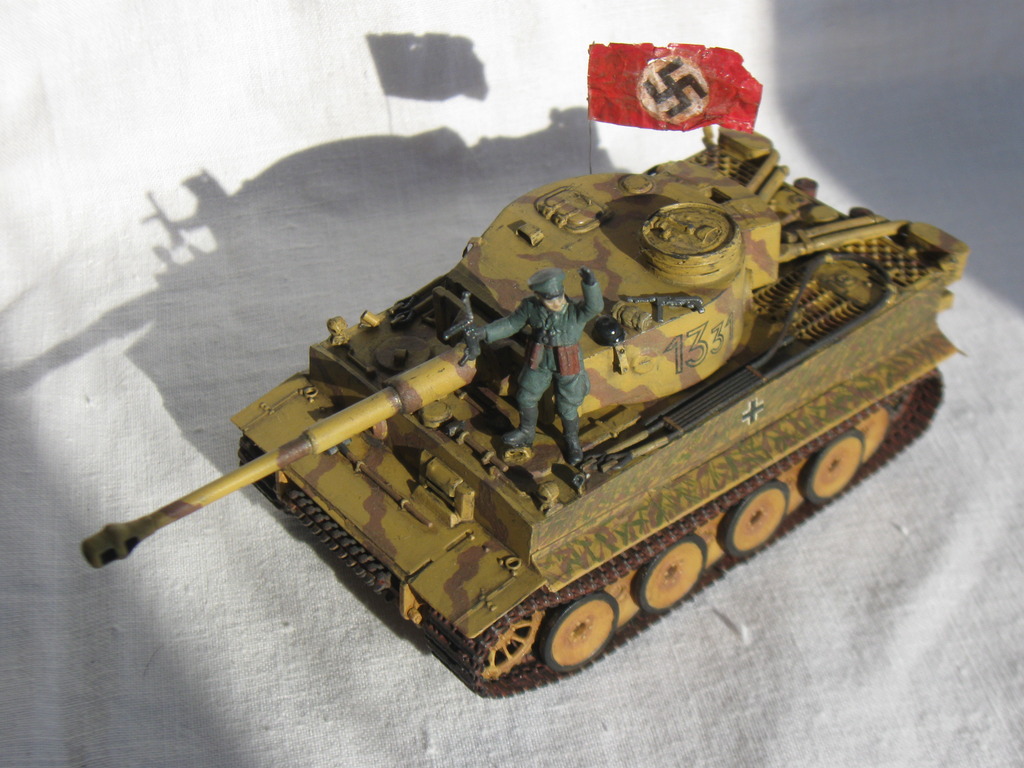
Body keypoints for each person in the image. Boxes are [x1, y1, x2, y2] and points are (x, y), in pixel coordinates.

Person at [471, 266, 603, 465]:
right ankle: (526, 431)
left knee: (568, 406)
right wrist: (484, 332)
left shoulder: (575, 311)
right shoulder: (531, 307)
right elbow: (511, 324)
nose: (556, 303)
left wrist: (590, 284)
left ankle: (572, 440)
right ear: (539, 297)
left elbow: (594, 307)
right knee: (526, 396)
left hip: (568, 362)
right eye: (549, 299)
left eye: (559, 297)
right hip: (539, 360)